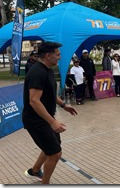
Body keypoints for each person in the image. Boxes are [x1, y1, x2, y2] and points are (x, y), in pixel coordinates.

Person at [22, 41, 78, 184]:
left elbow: (50, 93)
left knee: (51, 147)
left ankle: (34, 171)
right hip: (36, 120)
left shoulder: (47, 69)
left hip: (45, 118)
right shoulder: (37, 72)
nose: (59, 57)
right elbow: (34, 101)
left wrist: (63, 105)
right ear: (48, 55)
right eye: (57, 54)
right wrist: (52, 122)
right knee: (55, 153)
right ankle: (44, 183)